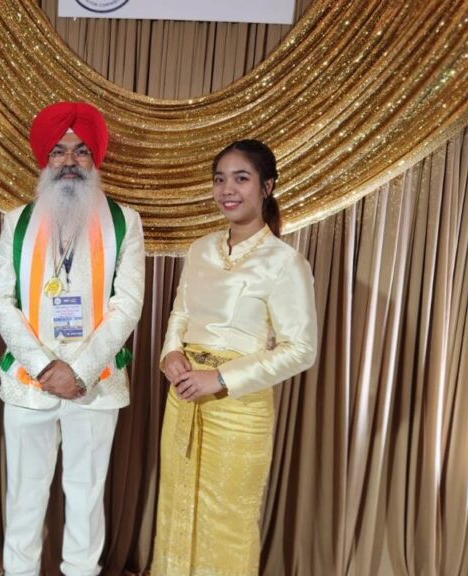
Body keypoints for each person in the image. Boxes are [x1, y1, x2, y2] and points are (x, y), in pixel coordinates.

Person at [0, 102, 145, 576]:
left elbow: (128, 304)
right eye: (58, 151)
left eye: (81, 151)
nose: (70, 161)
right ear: (45, 159)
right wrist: (44, 366)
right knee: (24, 496)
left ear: (95, 158)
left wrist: (78, 370)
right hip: (28, 383)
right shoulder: (17, 220)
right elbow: (0, 300)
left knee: (86, 495)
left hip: (94, 385)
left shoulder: (125, 221)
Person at [152, 139, 318, 575]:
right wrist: (170, 354)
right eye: (219, 179)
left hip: (239, 407)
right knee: (175, 507)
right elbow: (180, 313)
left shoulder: (285, 263)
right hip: (183, 397)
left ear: (267, 186)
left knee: (227, 523)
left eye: (241, 178)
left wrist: (220, 378)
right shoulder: (201, 249)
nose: (227, 189)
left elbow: (301, 349)